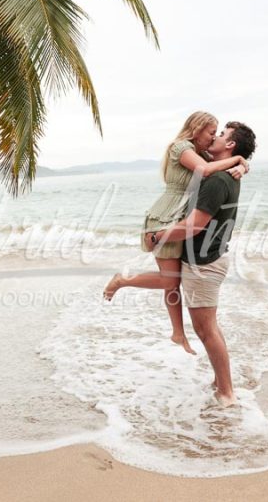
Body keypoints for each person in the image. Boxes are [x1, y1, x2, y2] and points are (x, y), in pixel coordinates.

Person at [103, 111, 249, 354]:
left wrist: (242, 164)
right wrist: (238, 160)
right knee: (170, 280)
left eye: (217, 134)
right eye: (211, 132)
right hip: (164, 218)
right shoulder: (180, 148)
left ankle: (178, 334)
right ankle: (122, 281)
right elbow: (204, 170)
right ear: (197, 128)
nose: (214, 138)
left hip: (177, 219)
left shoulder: (200, 152)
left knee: (172, 283)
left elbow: (214, 165)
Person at [145, 121, 257, 407]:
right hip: (209, 259)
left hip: (203, 264)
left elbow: (194, 226)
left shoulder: (218, 180)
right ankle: (221, 382)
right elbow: (203, 162)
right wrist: (243, 162)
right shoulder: (225, 172)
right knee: (210, 327)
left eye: (222, 134)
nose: (216, 137)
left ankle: (226, 392)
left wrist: (159, 235)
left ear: (230, 145)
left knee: (206, 330)